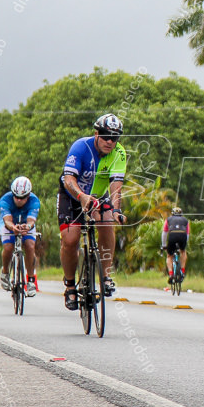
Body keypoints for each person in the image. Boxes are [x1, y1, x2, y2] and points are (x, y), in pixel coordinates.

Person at [57, 113, 128, 310]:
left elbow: (116, 185)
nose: (110, 141)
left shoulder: (119, 153)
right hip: (72, 196)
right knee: (70, 241)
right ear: (96, 133)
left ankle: (105, 276)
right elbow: (69, 179)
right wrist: (81, 196)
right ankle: (70, 286)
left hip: (97, 196)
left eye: (115, 138)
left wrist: (116, 209)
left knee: (107, 222)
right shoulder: (81, 146)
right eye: (106, 136)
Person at [0, 176, 41, 297]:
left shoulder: (34, 201)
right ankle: (5, 272)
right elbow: (7, 220)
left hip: (26, 224)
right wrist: (13, 228)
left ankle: (31, 280)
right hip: (9, 224)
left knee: (30, 246)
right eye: (15, 196)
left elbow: (31, 221)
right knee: (8, 247)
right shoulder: (5, 200)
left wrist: (27, 227)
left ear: (28, 195)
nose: (18, 200)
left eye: (22, 198)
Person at [162, 206, 189, 285]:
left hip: (172, 236)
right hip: (182, 236)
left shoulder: (169, 219)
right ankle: (182, 272)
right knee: (183, 253)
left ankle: (171, 274)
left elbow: (164, 233)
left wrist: (163, 245)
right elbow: (187, 234)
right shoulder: (185, 220)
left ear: (172, 214)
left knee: (169, 256)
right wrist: (184, 246)